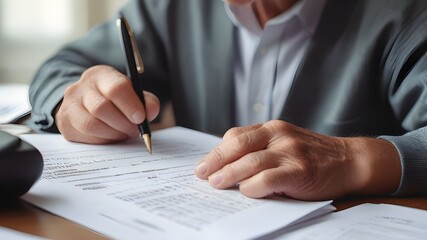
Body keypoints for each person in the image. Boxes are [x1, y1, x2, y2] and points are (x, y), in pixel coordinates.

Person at [29, 0, 427, 201]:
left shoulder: (405, 14)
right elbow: (61, 68)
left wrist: (351, 159)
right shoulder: (174, 7)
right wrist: (75, 103)